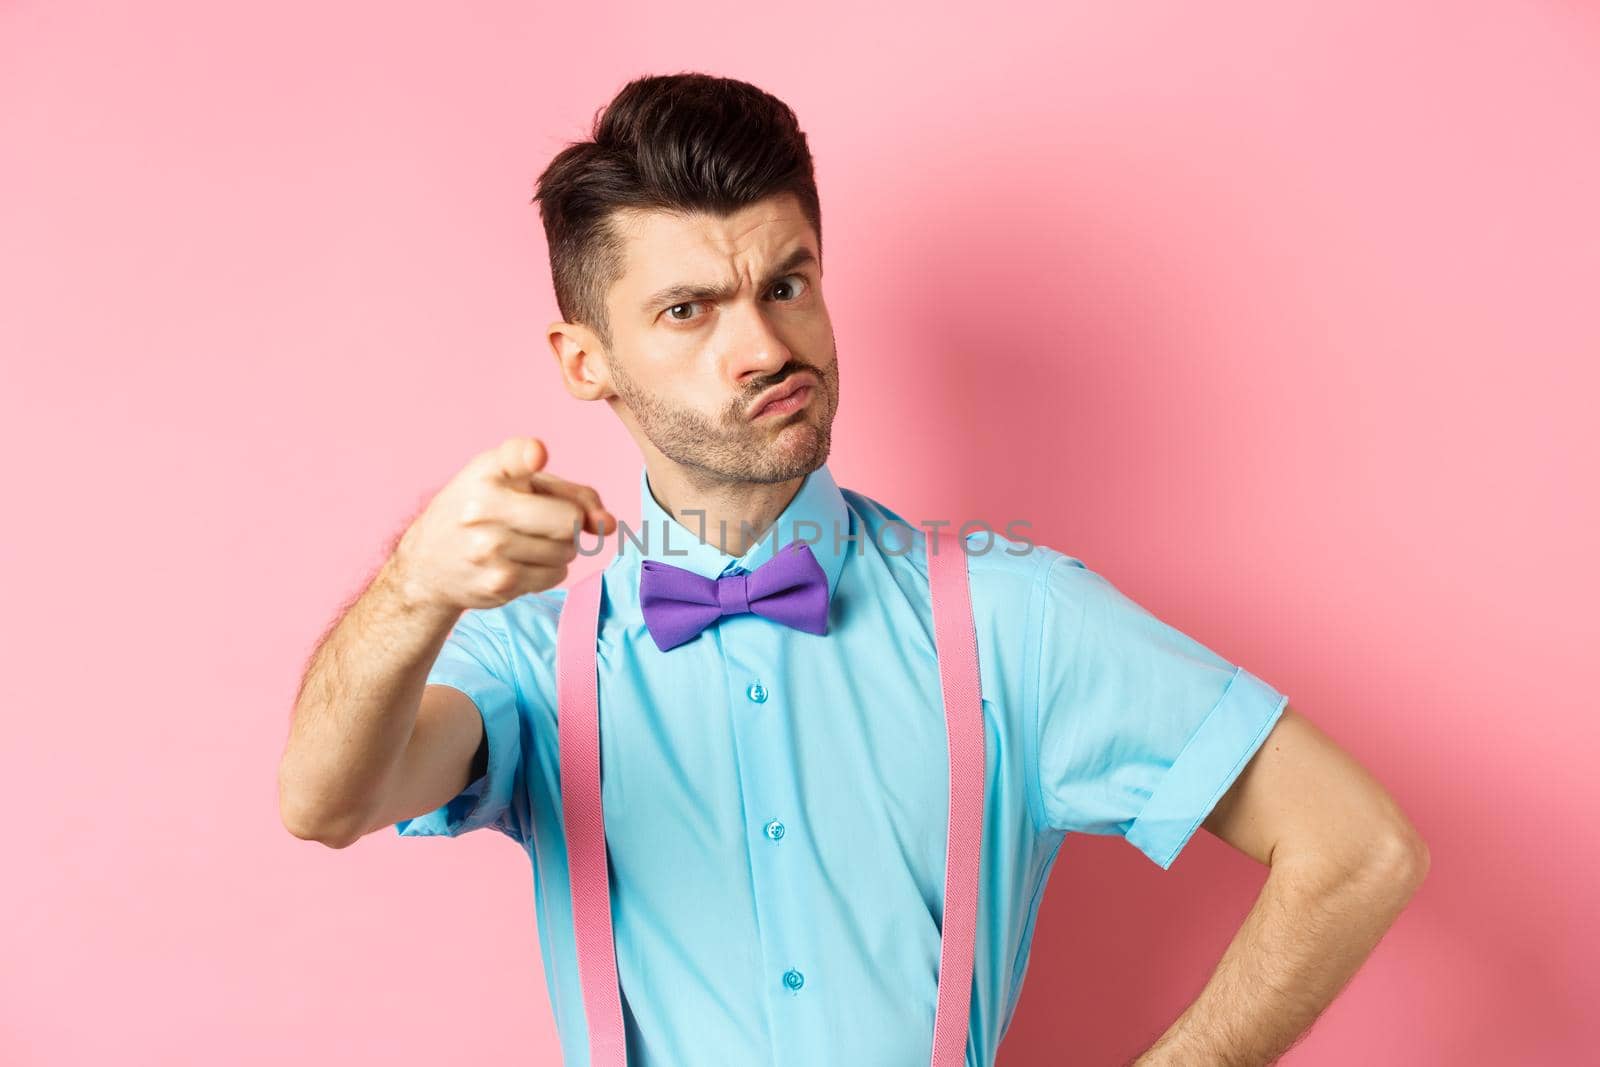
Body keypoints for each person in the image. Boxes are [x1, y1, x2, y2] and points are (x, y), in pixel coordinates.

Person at [279, 72, 1430, 1066]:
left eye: (785, 283)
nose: (765, 347)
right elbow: (324, 801)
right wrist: (413, 588)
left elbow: (1358, 845)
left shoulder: (1010, 620)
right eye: (689, 309)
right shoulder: (531, 653)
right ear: (587, 361)